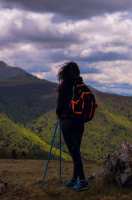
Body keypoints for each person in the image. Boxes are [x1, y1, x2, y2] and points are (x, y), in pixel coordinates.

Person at [56, 61, 89, 191]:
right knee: (77, 152)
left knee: (74, 153)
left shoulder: (65, 87)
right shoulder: (81, 86)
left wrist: (59, 113)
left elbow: (60, 108)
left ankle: (82, 181)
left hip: (68, 123)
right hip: (80, 124)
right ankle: (75, 179)